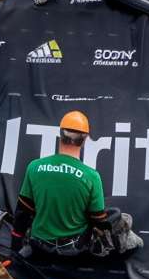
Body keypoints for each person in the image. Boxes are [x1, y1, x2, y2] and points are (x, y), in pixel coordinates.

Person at [15, 111, 141, 260]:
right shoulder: (91, 176)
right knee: (121, 221)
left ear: (60, 134)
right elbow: (98, 221)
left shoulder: (34, 167)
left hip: (39, 246)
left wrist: (16, 243)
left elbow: (23, 211)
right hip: (72, 250)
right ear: (85, 139)